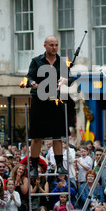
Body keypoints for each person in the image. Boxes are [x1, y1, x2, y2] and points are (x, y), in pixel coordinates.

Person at [24, 35, 72, 178]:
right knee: (37, 137)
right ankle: (33, 167)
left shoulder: (62, 63)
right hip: (39, 102)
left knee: (58, 136)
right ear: (45, 45)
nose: (54, 48)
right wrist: (32, 83)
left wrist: (66, 79)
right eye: (51, 45)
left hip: (56, 102)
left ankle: (59, 165)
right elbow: (28, 78)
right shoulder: (36, 61)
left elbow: (72, 79)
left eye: (56, 45)